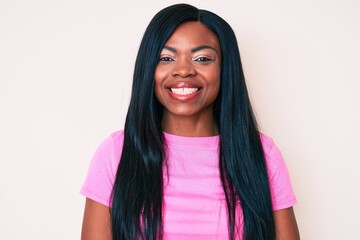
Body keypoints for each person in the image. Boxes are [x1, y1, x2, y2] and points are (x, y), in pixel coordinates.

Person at [80, 3, 300, 240]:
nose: (183, 70)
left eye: (202, 58)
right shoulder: (116, 153)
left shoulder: (262, 155)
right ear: (149, 69)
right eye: (166, 58)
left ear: (225, 69)